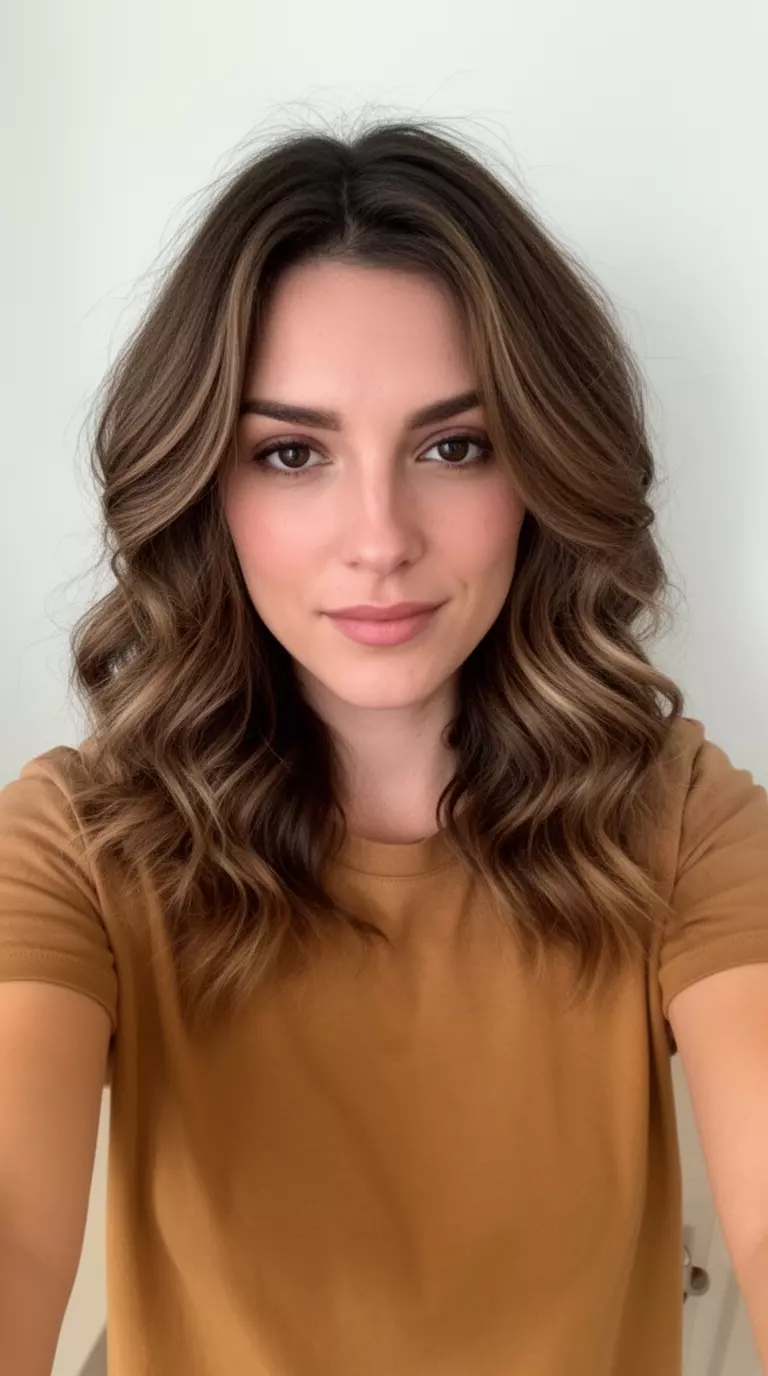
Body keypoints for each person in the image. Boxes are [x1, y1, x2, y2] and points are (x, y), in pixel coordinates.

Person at [1, 117, 767, 1376]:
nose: (380, 537)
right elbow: (18, 1231)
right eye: (292, 453)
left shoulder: (678, 821)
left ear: (542, 468)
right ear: (204, 483)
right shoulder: (78, 845)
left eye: (452, 446)